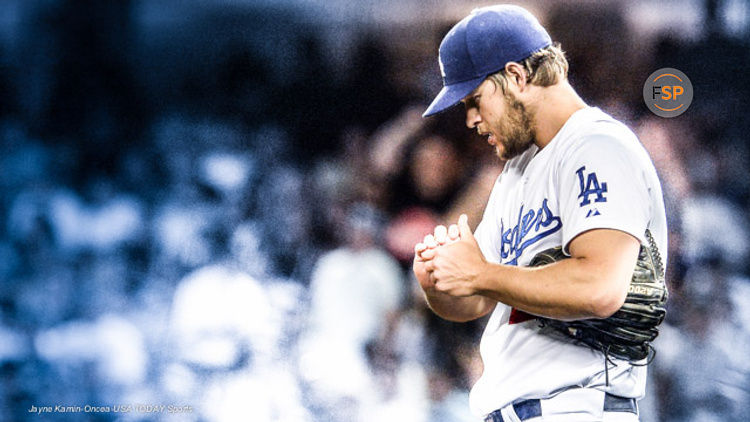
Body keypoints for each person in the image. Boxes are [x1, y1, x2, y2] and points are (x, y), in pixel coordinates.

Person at [413, 5, 667, 421]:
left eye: (475, 100)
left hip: (574, 407)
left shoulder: (597, 146)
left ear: (517, 76)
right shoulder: (516, 173)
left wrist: (478, 274)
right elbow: (476, 301)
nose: (471, 119)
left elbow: (600, 287)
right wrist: (441, 283)